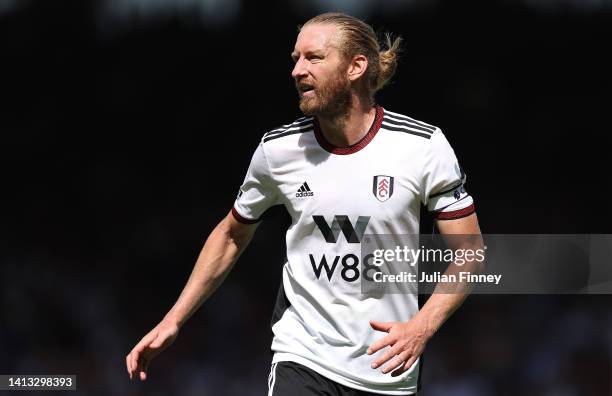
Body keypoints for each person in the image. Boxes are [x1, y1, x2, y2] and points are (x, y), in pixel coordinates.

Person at [126, 12, 483, 396]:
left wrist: (422, 326)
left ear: (356, 67)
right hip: (303, 357)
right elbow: (232, 234)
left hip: (386, 370)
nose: (297, 71)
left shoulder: (422, 147)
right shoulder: (278, 151)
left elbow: (471, 252)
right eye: (295, 58)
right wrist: (174, 319)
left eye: (313, 58)